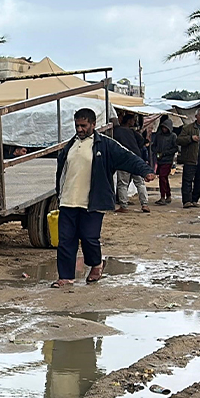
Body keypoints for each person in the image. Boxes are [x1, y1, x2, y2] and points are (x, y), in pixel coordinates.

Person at [52, 108, 155, 288]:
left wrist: (145, 171)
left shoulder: (105, 145)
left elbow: (128, 157)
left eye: (83, 126)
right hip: (68, 200)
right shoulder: (71, 145)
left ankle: (96, 263)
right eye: (77, 125)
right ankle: (66, 277)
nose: (80, 129)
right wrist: (59, 194)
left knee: (89, 238)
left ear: (93, 124)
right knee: (66, 240)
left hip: (93, 201)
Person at [112, 113, 149, 213]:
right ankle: (145, 204)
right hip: (136, 158)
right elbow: (142, 141)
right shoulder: (131, 131)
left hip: (123, 159)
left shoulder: (115, 132)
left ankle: (124, 206)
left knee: (122, 184)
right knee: (140, 183)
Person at [177, 108, 200, 208]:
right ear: (196, 116)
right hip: (191, 158)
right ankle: (187, 201)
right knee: (187, 181)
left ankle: (194, 200)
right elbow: (179, 140)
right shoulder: (188, 128)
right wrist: (190, 138)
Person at [151, 117, 178, 206]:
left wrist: (165, 153)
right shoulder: (159, 136)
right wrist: (156, 151)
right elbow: (153, 146)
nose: (164, 129)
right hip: (160, 160)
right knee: (164, 178)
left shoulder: (173, 136)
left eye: (165, 128)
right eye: (163, 127)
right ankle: (168, 195)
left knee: (162, 177)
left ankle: (163, 196)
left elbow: (175, 148)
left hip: (168, 160)